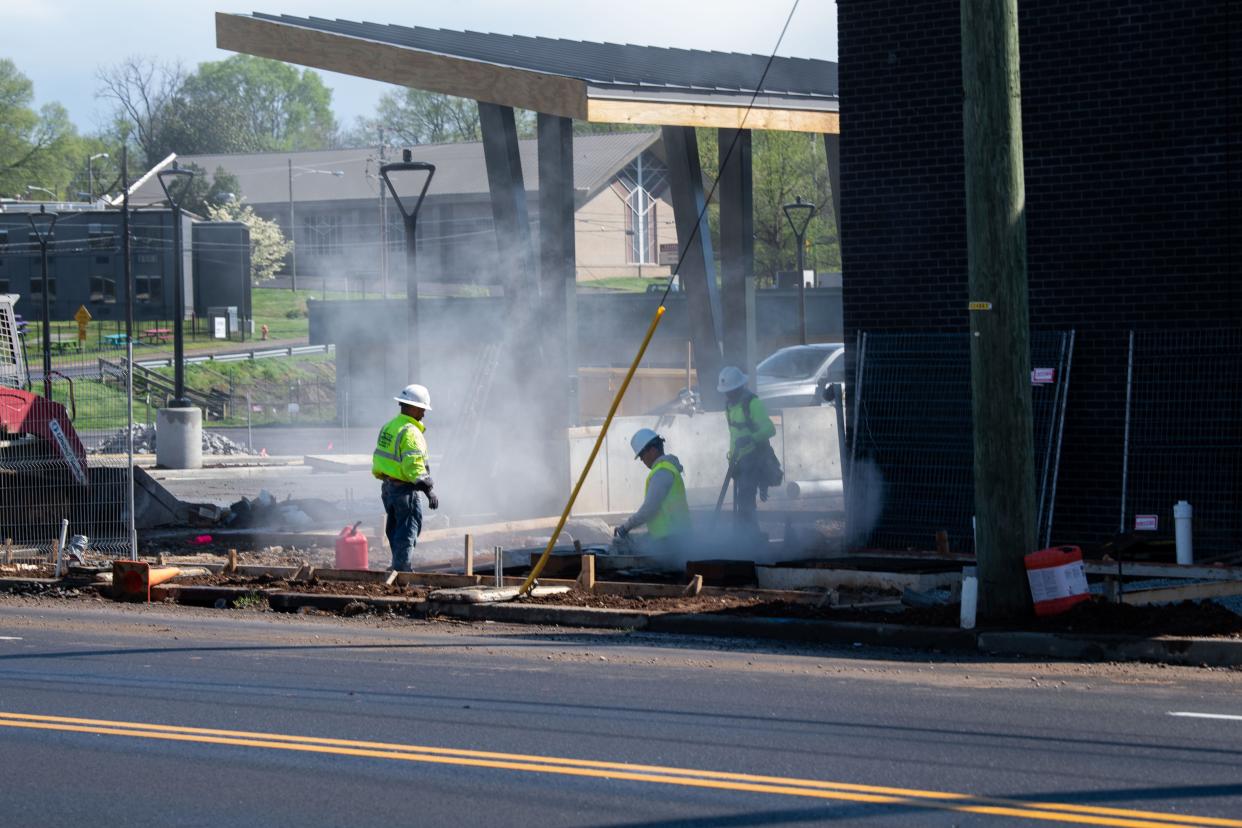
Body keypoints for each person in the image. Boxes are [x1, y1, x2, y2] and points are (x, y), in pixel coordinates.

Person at [371, 383, 439, 571]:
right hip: (404, 490)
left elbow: (380, 458)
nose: (424, 414)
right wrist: (429, 490)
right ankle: (402, 570)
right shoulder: (411, 432)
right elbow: (414, 465)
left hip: (388, 488)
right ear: (412, 407)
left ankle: (397, 565)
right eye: (422, 409)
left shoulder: (389, 426)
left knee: (395, 529)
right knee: (408, 530)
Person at [613, 428, 691, 556]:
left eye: (642, 455)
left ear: (653, 450)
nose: (642, 460)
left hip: (671, 541)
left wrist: (625, 528)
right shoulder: (668, 468)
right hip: (675, 537)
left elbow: (649, 508)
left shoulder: (662, 472)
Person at [717, 365, 777, 527]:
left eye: (730, 391)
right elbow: (733, 435)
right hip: (740, 459)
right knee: (742, 500)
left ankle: (750, 535)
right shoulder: (729, 408)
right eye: (726, 392)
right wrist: (732, 458)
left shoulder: (752, 403)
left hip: (755, 458)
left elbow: (770, 429)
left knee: (745, 500)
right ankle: (746, 533)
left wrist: (750, 439)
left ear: (739, 387)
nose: (728, 395)